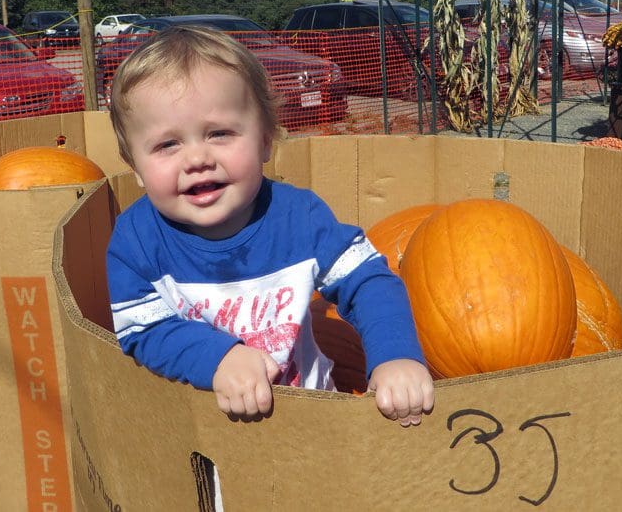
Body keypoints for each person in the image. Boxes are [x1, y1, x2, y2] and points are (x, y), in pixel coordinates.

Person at [106, 25, 434, 426]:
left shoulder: (300, 218)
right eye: (167, 145)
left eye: (219, 133)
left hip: (315, 419)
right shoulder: (135, 241)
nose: (196, 159)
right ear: (134, 167)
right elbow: (142, 329)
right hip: (211, 431)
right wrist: (219, 357)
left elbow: (368, 279)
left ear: (265, 140)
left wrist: (396, 354)